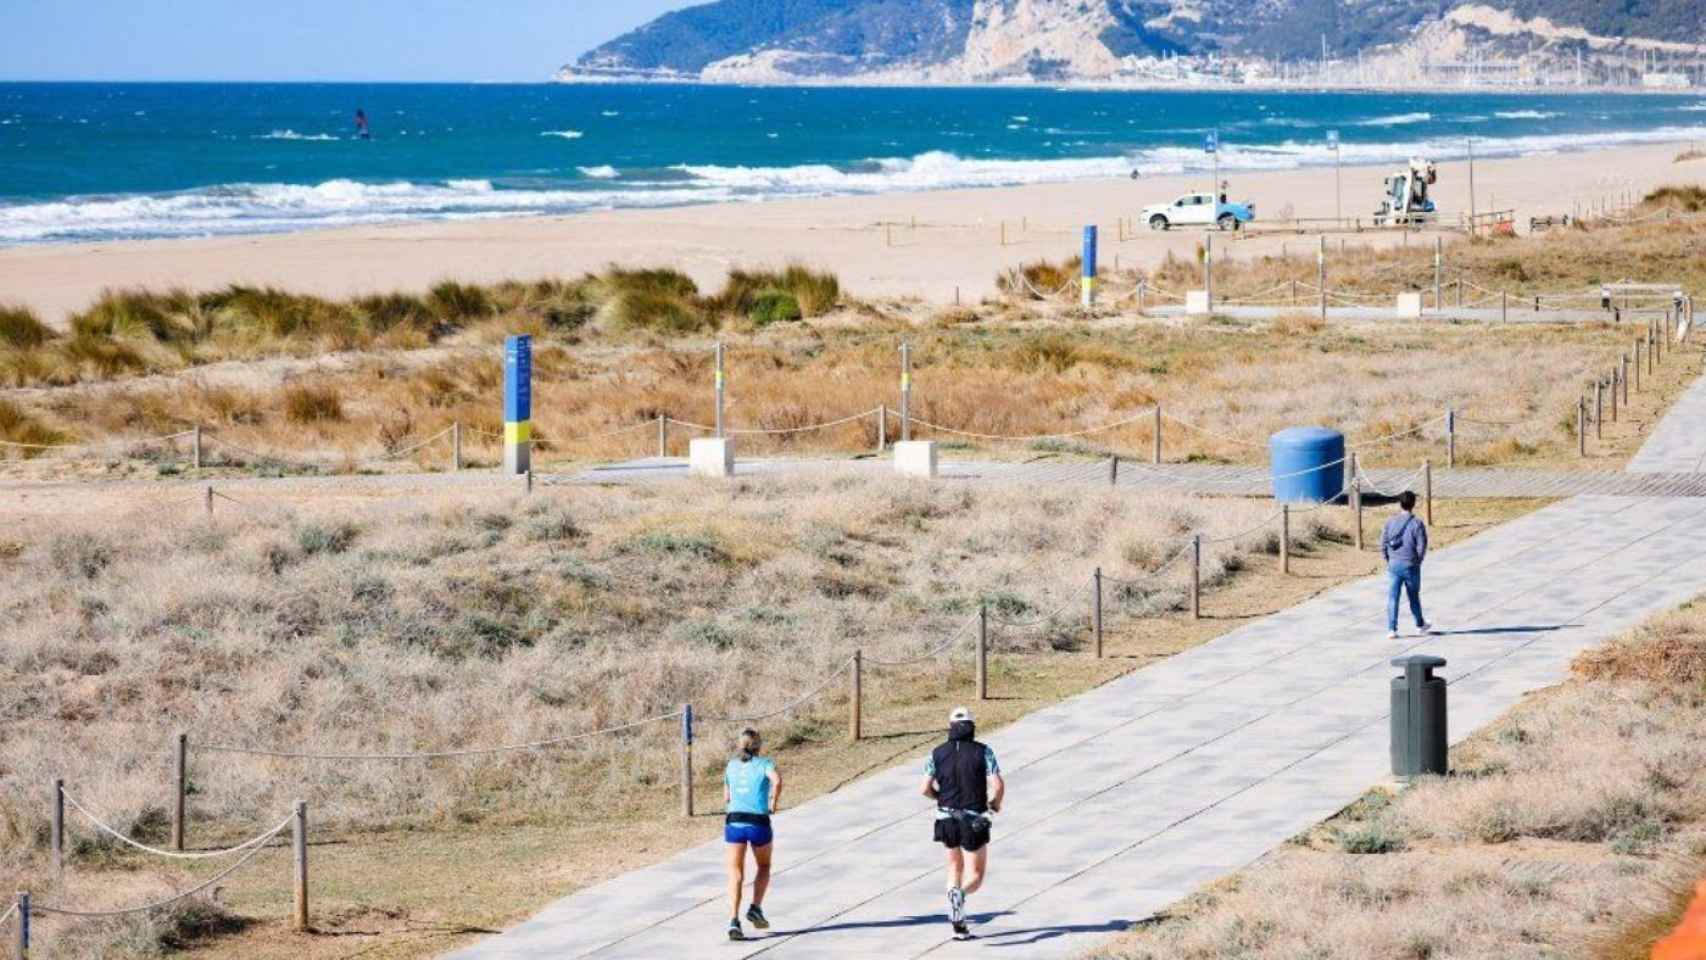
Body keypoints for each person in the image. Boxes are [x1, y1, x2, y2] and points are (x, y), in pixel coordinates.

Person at [922, 706, 1004, 941]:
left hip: (945, 819)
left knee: (954, 867)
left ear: (951, 727)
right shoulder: (984, 752)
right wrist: (994, 805)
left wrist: (940, 798)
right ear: (971, 728)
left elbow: (924, 788)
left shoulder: (936, 753)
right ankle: (960, 896)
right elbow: (998, 785)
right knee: (975, 875)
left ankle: (958, 924)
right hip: (973, 819)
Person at [724, 728, 781, 941]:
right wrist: (773, 803)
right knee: (764, 866)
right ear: (759, 746)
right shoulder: (765, 764)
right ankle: (755, 907)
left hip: (734, 822)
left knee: (735, 872)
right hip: (758, 821)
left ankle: (733, 920)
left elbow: (727, 797)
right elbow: (777, 781)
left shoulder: (731, 765)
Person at [1381, 491, 1436, 640]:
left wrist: (1388, 558)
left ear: (1400, 504)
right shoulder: (1417, 523)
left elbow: (1383, 542)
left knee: (1393, 597)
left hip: (1394, 564)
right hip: (1410, 564)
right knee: (1413, 596)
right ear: (1413, 504)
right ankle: (1420, 624)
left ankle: (1392, 629)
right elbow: (1421, 546)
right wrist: (1418, 561)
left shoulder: (1390, 522)